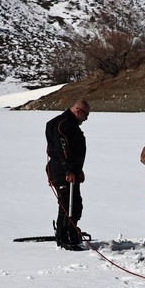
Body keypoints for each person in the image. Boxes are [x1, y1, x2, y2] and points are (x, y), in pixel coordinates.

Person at [45, 99, 90, 250]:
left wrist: (78, 170)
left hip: (69, 170)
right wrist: (69, 170)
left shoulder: (65, 123)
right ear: (78, 111)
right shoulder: (63, 124)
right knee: (67, 204)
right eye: (86, 115)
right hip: (62, 171)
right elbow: (62, 150)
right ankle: (64, 236)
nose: (86, 119)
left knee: (74, 203)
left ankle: (70, 231)